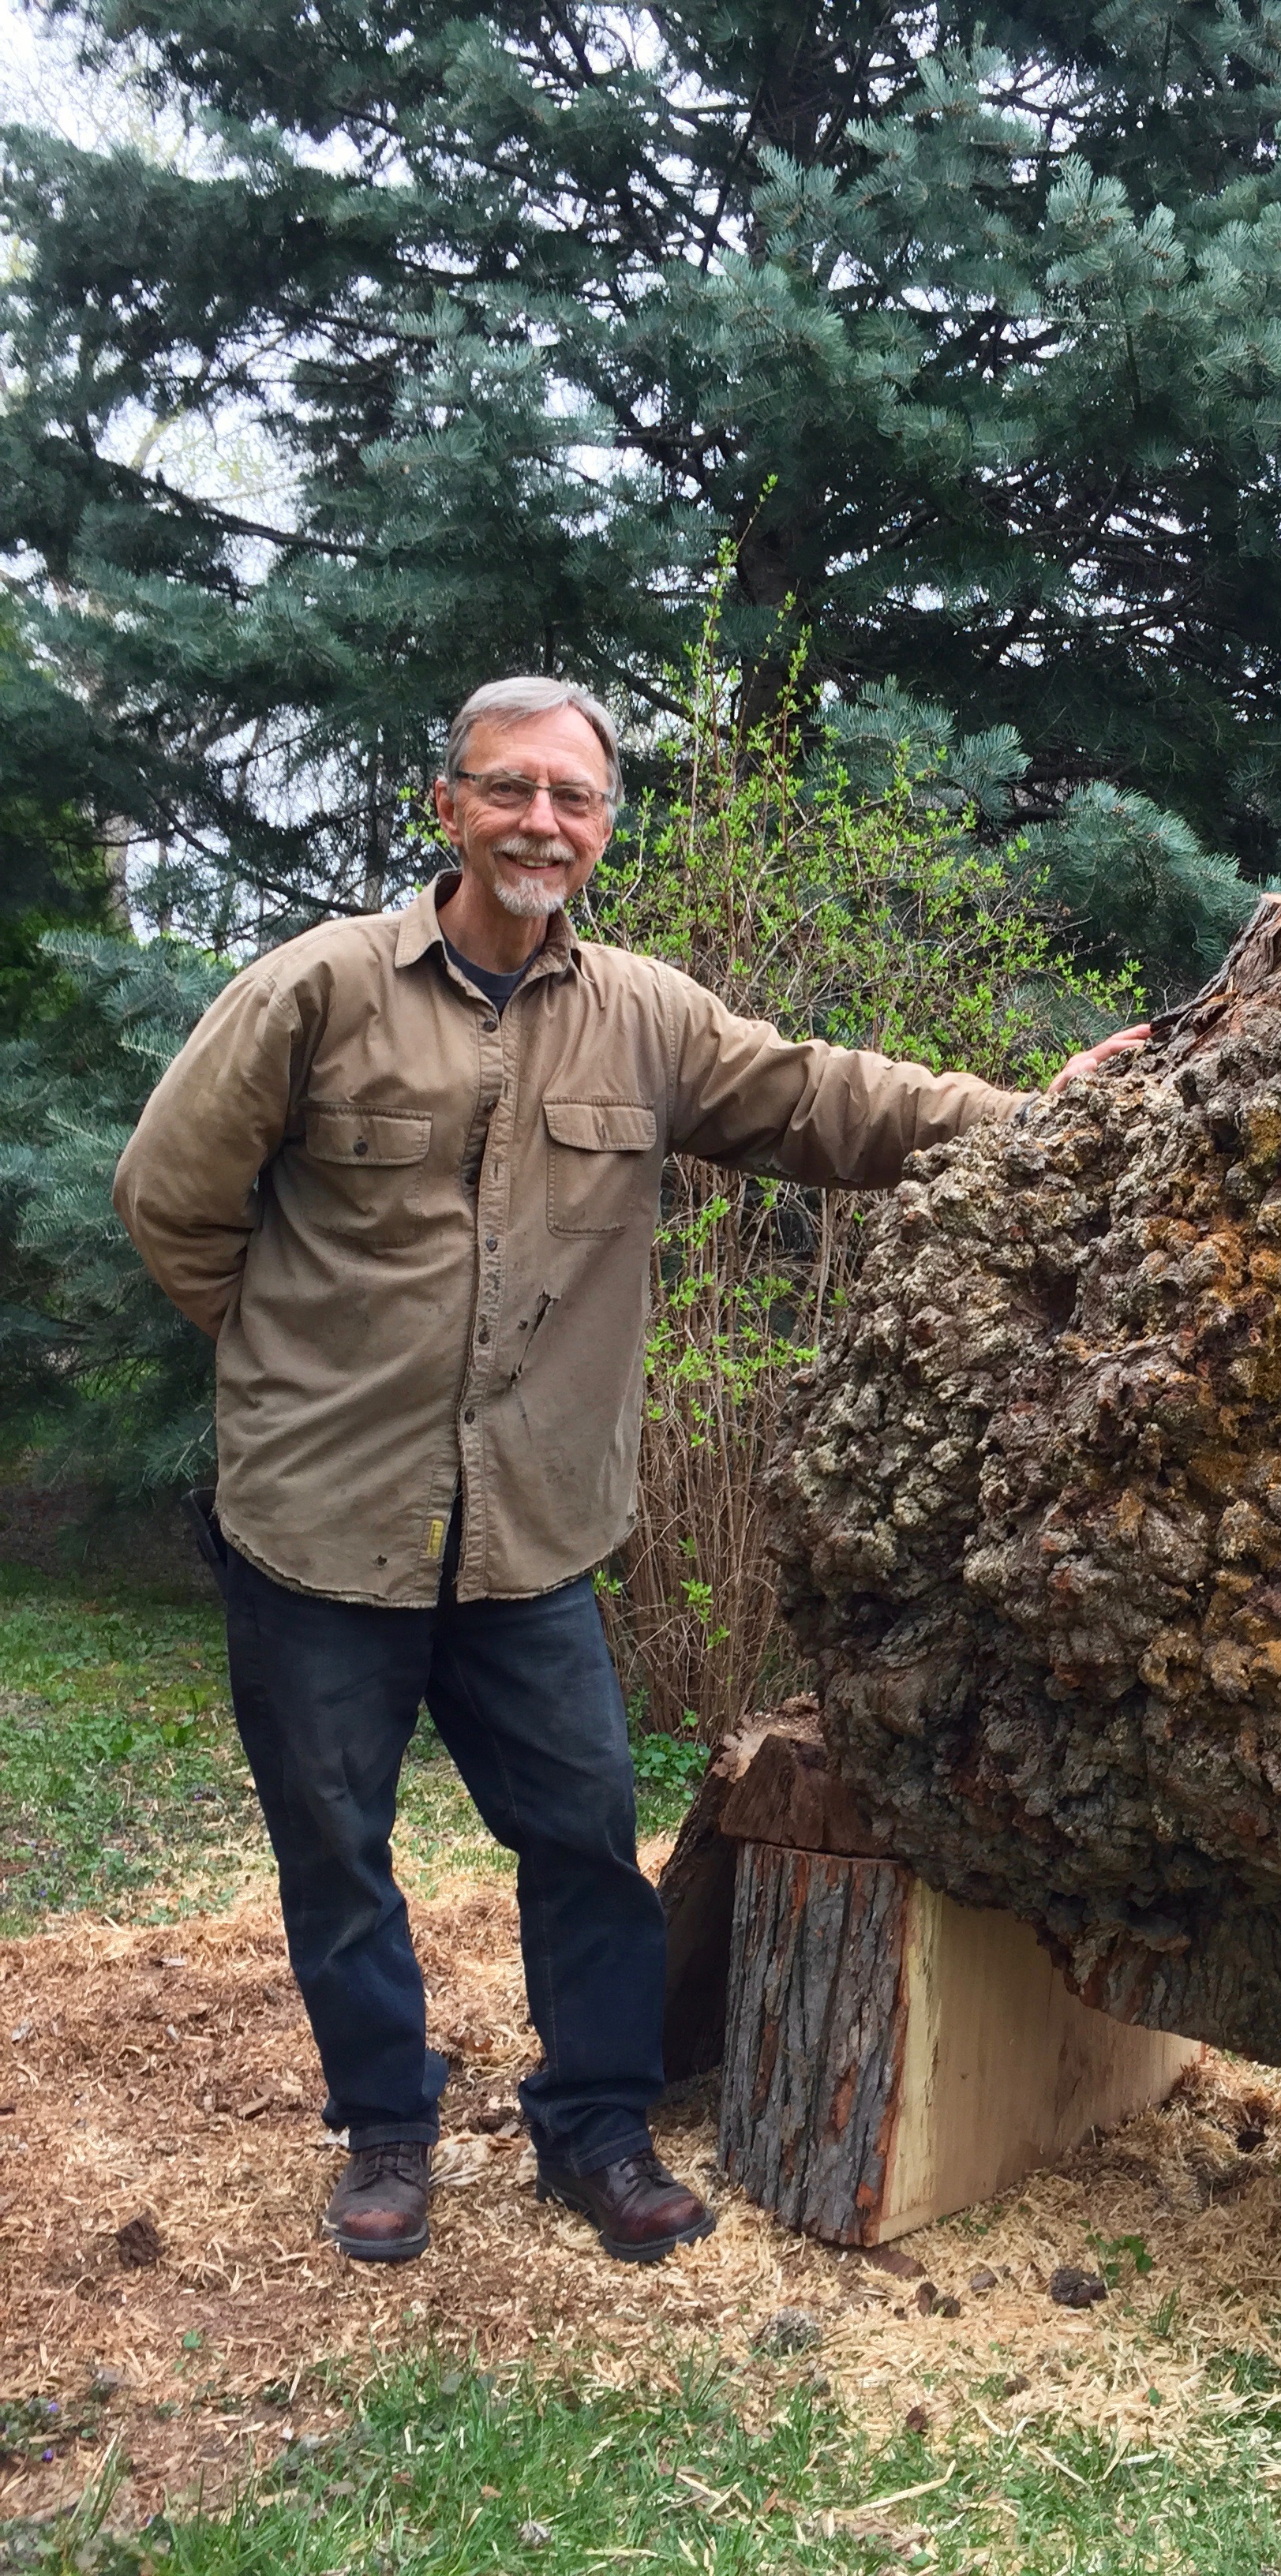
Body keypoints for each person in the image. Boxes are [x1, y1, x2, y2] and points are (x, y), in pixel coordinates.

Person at [113, 676, 1147, 2267]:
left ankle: (595, 2125)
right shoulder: (316, 991)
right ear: (449, 807)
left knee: (587, 1845)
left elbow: (821, 1100)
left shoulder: (650, 1019)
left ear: (603, 826)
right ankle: (384, 2128)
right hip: (319, 1526)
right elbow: (170, 1195)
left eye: (574, 798)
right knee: (336, 1852)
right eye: (509, 789)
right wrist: (284, 1361)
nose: (541, 822)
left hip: (533, 1534)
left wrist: (1040, 1118)